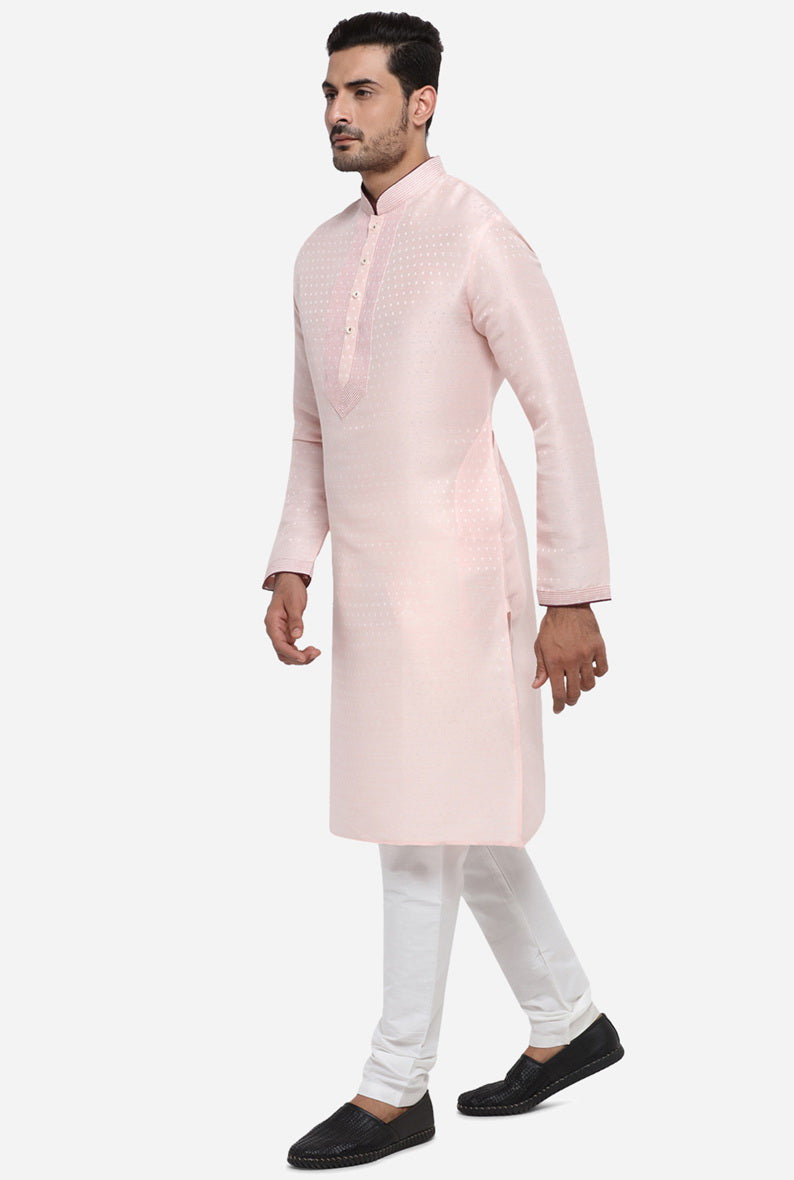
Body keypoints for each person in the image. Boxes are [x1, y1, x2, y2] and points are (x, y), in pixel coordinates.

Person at [262, 11, 624, 1169]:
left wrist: (571, 593)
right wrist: (292, 558)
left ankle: (392, 1089)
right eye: (329, 92)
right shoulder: (316, 254)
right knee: (454, 816)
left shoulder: (479, 235)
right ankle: (567, 1019)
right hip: (371, 593)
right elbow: (312, 431)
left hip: (468, 586)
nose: (337, 112)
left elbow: (558, 417)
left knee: (418, 831)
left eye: (362, 91)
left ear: (422, 103)